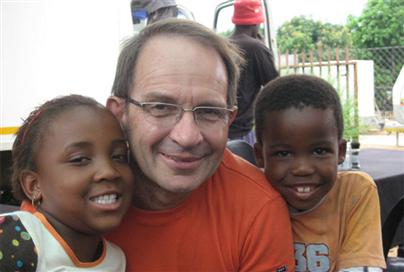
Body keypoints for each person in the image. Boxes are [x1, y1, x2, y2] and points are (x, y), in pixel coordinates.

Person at [106, 18, 295, 271]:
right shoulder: (66, 199)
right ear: (119, 114)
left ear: (229, 119)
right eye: (161, 107)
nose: (187, 136)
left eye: (209, 111)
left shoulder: (257, 209)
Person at [253, 74, 386, 271]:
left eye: (319, 151)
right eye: (283, 153)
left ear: (340, 152)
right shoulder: (251, 197)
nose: (302, 168)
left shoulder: (354, 193)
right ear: (260, 156)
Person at [1, 95, 133, 271]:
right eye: (80, 159)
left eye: (119, 156)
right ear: (34, 185)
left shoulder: (117, 261)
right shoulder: (13, 237)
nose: (109, 171)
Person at [228, 0, 278, 145]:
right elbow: (275, 86)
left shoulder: (224, 44)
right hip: (242, 131)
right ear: (257, 23)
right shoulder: (256, 48)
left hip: (222, 126)